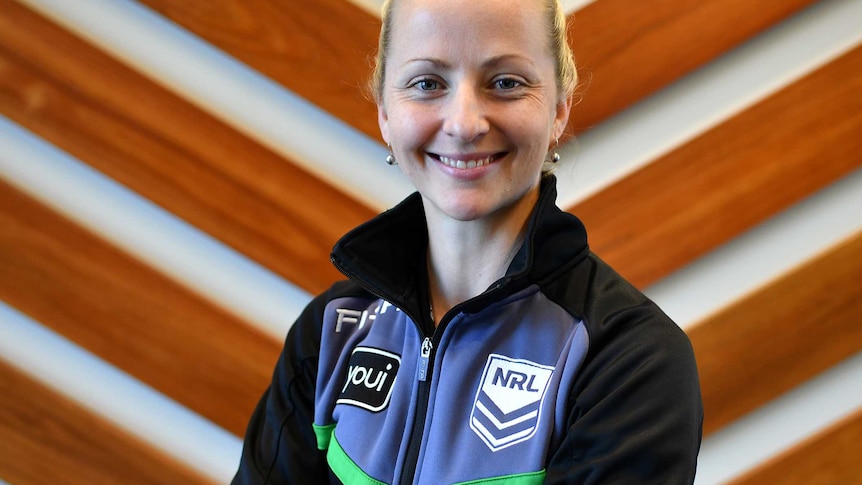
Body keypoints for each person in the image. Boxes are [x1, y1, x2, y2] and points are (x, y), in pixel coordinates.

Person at [232, 0, 703, 482]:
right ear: (385, 113)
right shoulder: (331, 334)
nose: (463, 124)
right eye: (427, 84)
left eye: (505, 83)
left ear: (560, 108)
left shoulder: (630, 358)